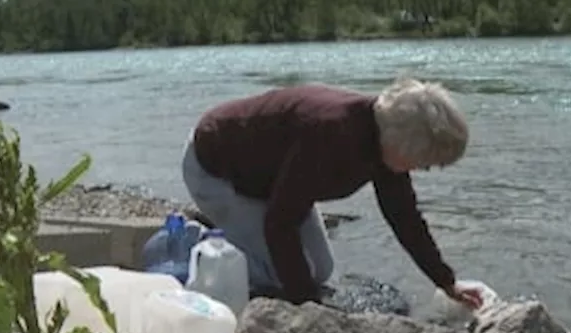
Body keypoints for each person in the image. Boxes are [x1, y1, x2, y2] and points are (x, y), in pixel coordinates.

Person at [181, 78, 485, 310]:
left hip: (269, 182)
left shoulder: (386, 140)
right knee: (279, 278)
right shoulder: (329, 135)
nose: (421, 170)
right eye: (424, 163)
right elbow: (279, 223)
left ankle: (236, 246)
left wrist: (446, 281)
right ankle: (203, 246)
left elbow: (404, 218)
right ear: (403, 145)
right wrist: (308, 308)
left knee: (321, 271)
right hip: (215, 169)